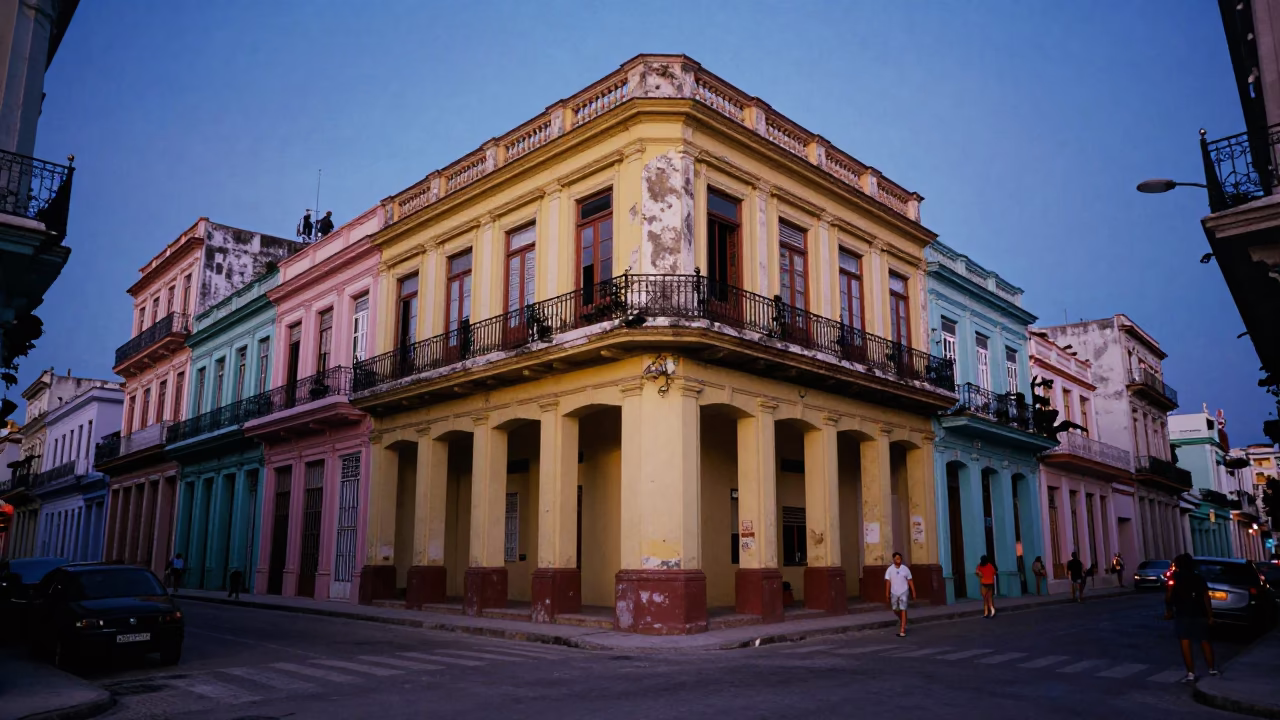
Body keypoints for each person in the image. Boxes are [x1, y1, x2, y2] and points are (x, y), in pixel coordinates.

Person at [1165, 553, 1219, 683]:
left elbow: (1168, 596)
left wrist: (1169, 610)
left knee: (1185, 642)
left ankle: (1191, 673)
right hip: (1199, 611)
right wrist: (1210, 615)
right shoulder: (1198, 578)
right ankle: (1212, 669)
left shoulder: (1175, 578)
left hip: (1183, 612)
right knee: (1205, 641)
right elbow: (1206, 597)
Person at [884, 551, 916, 637]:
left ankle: (902, 630)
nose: (898, 560)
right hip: (894, 592)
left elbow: (910, 580)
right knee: (895, 609)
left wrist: (913, 592)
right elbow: (888, 582)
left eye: (900, 558)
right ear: (893, 559)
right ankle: (902, 619)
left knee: (903, 608)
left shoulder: (905, 569)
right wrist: (887, 594)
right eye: (897, 558)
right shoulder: (890, 570)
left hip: (904, 591)